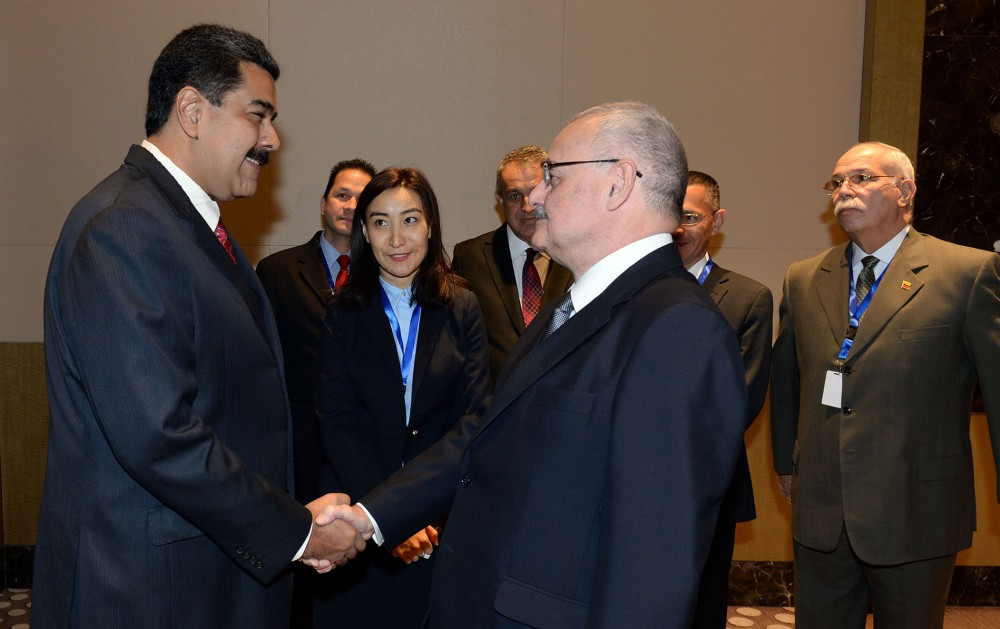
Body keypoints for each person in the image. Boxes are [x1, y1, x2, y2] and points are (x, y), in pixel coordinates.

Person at [325, 101, 748, 628]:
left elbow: (651, 570)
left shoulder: (677, 330)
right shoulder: (571, 306)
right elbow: (484, 432)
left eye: (553, 175)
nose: (535, 197)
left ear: (617, 183)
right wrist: (369, 518)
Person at [32, 24, 361, 629]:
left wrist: (290, 514)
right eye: (257, 115)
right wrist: (294, 532)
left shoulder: (184, 225)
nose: (272, 139)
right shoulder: (124, 228)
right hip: (150, 590)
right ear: (191, 111)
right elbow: (158, 434)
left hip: (201, 576)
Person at [770, 142, 1000, 629]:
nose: (844, 190)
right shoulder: (804, 278)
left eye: (861, 178)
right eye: (837, 182)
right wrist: (785, 464)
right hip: (822, 507)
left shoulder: (967, 272)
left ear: (905, 191)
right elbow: (788, 379)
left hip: (917, 506)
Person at [312, 167, 490, 626]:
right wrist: (388, 515)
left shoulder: (463, 306)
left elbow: (472, 421)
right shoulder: (343, 311)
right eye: (380, 222)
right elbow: (337, 422)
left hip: (442, 523)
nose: (396, 239)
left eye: (409, 220)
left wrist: (418, 509)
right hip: (362, 524)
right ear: (364, 232)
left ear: (430, 225)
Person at [256, 157, 375, 628]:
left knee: (359, 575)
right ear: (324, 203)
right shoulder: (277, 270)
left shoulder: (386, 273)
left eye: (362, 199)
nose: (351, 206)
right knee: (300, 582)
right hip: (297, 451)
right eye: (342, 195)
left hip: (364, 450)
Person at [675, 170, 773, 628]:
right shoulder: (629, 289)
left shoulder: (748, 298)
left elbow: (743, 398)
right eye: (670, 215)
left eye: (691, 217)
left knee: (703, 600)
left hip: (708, 477)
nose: (678, 228)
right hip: (629, 474)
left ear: (717, 221)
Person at [452, 146, 573, 381]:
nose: (527, 207)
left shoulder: (577, 254)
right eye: (515, 196)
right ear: (500, 201)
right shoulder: (470, 258)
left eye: (534, 192)